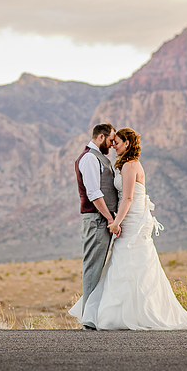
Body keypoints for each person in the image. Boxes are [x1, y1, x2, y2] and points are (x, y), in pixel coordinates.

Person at [69, 127, 187, 330]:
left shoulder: (130, 165)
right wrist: (116, 220)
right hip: (124, 217)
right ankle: (117, 314)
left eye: (116, 142)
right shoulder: (115, 162)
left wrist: (116, 221)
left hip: (131, 218)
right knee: (123, 262)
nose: (113, 146)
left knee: (130, 260)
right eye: (112, 141)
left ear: (127, 143)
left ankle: (126, 314)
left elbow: (128, 198)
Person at [74, 123, 118, 330]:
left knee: (99, 267)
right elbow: (94, 193)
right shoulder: (90, 158)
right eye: (110, 140)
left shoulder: (99, 157)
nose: (112, 144)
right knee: (93, 267)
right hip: (96, 219)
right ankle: (89, 321)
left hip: (101, 219)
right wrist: (110, 219)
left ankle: (95, 317)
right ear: (101, 137)